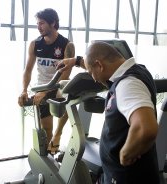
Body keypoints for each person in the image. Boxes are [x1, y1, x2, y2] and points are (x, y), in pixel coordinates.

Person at [57, 41, 160, 184]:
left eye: (91, 72)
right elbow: (98, 60)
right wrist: (76, 61)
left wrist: (126, 153)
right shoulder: (138, 70)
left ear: (99, 65)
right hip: (127, 173)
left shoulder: (127, 84)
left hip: (126, 176)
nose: (93, 78)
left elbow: (146, 128)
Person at [18, 8, 75, 154]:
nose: (38, 27)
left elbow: (65, 76)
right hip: (41, 86)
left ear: (53, 23)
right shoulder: (35, 44)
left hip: (57, 86)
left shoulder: (67, 45)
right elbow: (28, 70)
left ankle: (58, 134)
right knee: (46, 130)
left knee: (66, 95)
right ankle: (49, 154)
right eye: (37, 23)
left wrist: (46, 91)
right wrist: (24, 90)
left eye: (42, 23)